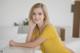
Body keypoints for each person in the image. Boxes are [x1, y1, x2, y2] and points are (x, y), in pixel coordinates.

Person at [9, 3, 74, 53]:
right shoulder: (36, 29)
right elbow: (28, 43)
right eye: (34, 14)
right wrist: (31, 29)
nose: (36, 17)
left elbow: (32, 45)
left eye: (40, 14)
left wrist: (15, 43)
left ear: (44, 16)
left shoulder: (49, 28)